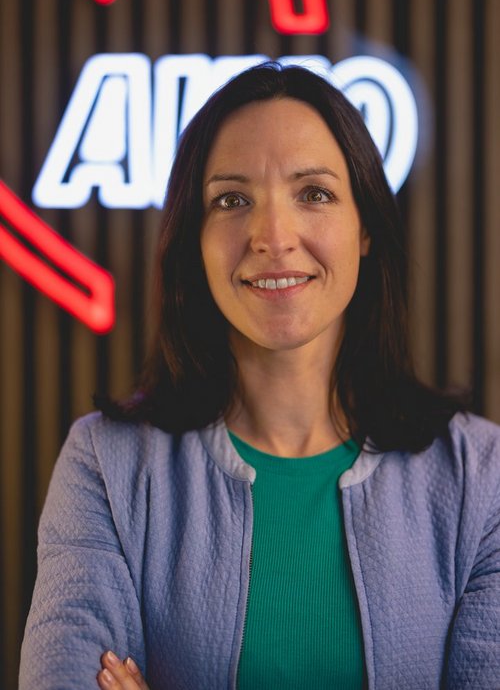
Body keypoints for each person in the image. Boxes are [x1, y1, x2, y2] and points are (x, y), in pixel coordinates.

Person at [19, 63, 500, 690]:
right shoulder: (106, 466)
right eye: (232, 200)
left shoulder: (481, 479)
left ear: (365, 229)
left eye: (315, 194)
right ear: (194, 239)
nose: (272, 236)